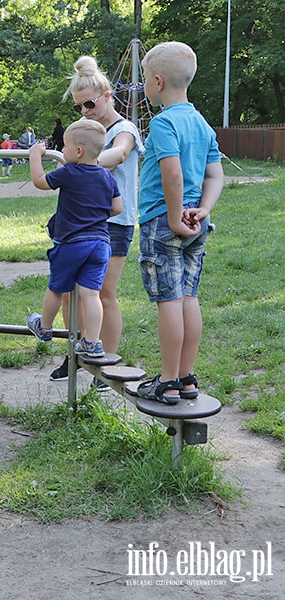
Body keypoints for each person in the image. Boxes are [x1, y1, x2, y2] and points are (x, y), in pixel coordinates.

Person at [134, 41, 223, 404]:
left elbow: (171, 175)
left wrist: (173, 217)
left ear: (156, 82)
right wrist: (202, 210)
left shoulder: (163, 123)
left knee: (169, 301)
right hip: (196, 222)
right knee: (189, 297)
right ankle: (186, 377)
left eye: (143, 79)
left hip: (164, 221)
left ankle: (167, 382)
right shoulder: (201, 123)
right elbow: (215, 176)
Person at [50, 55, 145, 384]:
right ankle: (75, 354)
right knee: (66, 292)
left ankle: (108, 366)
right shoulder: (84, 133)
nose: (85, 111)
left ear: (107, 96)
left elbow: (118, 154)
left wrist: (82, 164)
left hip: (113, 224)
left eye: (89, 103)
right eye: (79, 107)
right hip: (77, 225)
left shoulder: (124, 129)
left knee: (103, 293)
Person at [25, 119, 122, 359]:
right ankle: (92, 341)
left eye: (64, 147)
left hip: (71, 243)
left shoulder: (70, 171)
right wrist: (94, 212)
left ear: (78, 151)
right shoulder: (107, 176)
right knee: (91, 294)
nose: (63, 150)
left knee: (57, 287)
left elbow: (39, 181)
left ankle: (44, 327)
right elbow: (117, 207)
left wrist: (35, 155)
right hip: (101, 244)